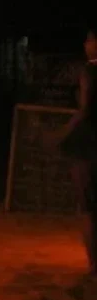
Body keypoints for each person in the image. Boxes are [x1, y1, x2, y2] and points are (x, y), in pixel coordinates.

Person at [51, 25, 97, 274]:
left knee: (88, 208)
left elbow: (85, 108)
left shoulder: (89, 71)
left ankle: (94, 265)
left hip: (89, 147)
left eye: (90, 40)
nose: (86, 45)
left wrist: (61, 134)